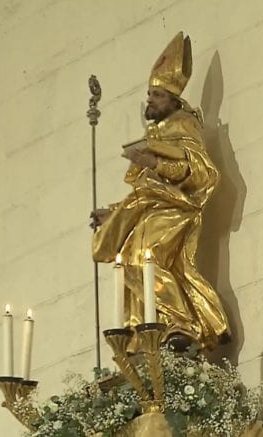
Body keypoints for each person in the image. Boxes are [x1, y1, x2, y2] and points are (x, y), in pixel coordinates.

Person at [91, 32, 230, 351]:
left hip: (175, 207)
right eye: (150, 93)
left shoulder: (183, 125)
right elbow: (144, 191)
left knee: (142, 259)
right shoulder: (156, 132)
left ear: (173, 100)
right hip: (151, 207)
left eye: (157, 94)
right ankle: (147, 335)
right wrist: (113, 213)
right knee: (129, 261)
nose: (150, 100)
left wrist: (154, 162)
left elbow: (195, 172)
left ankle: (182, 323)